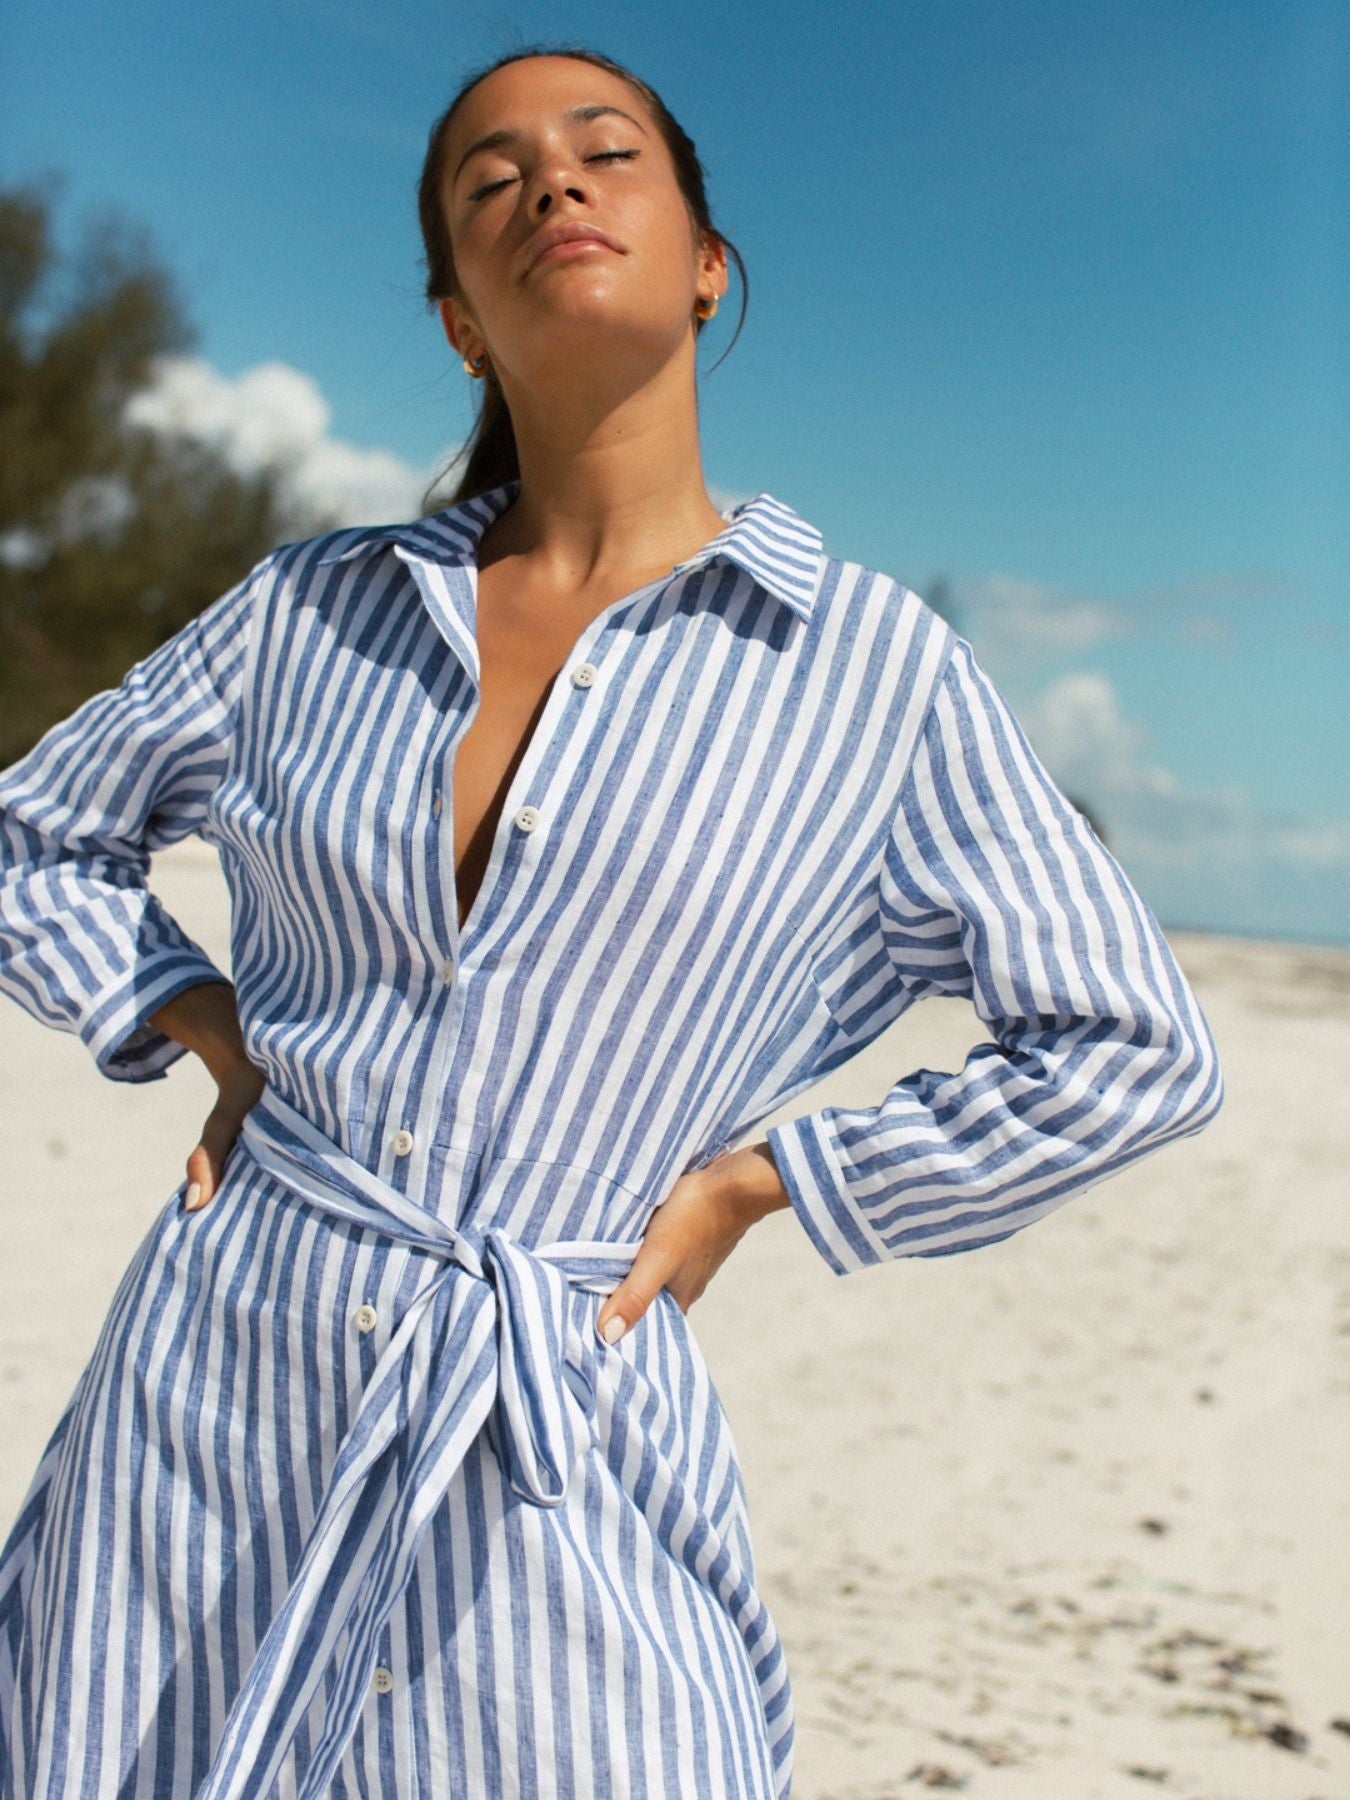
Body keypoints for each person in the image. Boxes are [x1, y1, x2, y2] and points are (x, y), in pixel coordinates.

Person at [0, 41, 1224, 1800]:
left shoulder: (866, 669)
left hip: (558, 1409)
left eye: (604, 154)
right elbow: (35, 835)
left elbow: (1131, 1046)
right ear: (455, 319)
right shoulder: (310, 612)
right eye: (489, 181)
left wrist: (775, 1182)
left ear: (706, 260)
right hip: (209, 1388)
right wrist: (190, 1017)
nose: (551, 188)